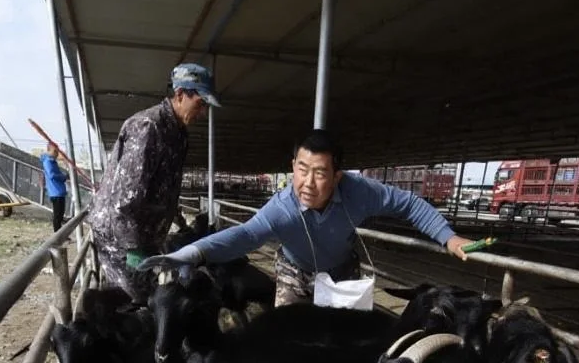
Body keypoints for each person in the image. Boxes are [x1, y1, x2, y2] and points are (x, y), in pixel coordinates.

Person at [148, 130, 475, 306]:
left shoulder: (360, 191)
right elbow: (246, 235)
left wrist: (449, 237)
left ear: (337, 176)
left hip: (341, 273)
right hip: (295, 273)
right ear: (293, 166)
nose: (307, 182)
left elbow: (410, 204)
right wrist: (191, 253)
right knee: (288, 334)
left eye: (319, 173)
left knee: (346, 339)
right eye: (301, 170)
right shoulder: (282, 208)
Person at [88, 62, 219, 302]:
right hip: (120, 238)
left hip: (147, 235)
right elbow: (125, 198)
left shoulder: (179, 134)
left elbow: (166, 188)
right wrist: (133, 248)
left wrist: (176, 224)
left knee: (151, 298)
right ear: (180, 94)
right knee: (131, 301)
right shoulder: (148, 127)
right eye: (200, 104)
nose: (202, 113)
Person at [39, 143, 68, 231]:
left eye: (57, 151)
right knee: (57, 216)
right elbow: (52, 175)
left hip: (59, 191)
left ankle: (60, 233)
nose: (56, 153)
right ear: (49, 151)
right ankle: (57, 234)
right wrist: (63, 177)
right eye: (55, 151)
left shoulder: (52, 162)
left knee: (60, 215)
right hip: (56, 192)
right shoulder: (48, 162)